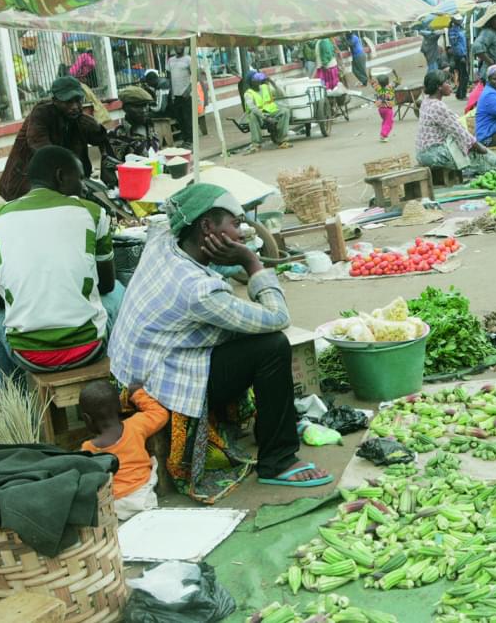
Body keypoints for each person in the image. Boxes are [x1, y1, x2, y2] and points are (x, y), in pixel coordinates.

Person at [110, 183, 332, 500]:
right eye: (234, 223)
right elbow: (278, 317)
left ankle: (272, 425)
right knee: (272, 346)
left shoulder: (163, 238)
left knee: (249, 339)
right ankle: (278, 460)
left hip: (135, 364)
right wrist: (251, 263)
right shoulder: (198, 291)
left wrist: (237, 254)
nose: (241, 232)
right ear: (207, 227)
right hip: (159, 384)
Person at [0, 146, 125, 387]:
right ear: (60, 176)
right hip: (89, 347)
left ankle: (15, 404)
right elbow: (106, 284)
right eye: (80, 178)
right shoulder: (93, 213)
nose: (84, 186)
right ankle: (121, 382)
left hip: (27, 356)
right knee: (119, 291)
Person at [0, 76, 115, 201]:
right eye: (68, 102)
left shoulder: (78, 118)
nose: (75, 106)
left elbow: (99, 139)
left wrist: (97, 129)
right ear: (55, 101)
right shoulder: (42, 114)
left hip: (61, 180)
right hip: (27, 182)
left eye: (78, 101)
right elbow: (43, 150)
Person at [416, 69, 496, 173]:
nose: (450, 85)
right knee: (484, 160)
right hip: (434, 153)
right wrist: (478, 147)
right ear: (439, 87)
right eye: (447, 82)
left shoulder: (427, 102)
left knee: (480, 155)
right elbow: (459, 132)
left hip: (426, 151)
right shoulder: (438, 106)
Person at [80, 381, 168, 521]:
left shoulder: (88, 448)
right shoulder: (136, 425)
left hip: (114, 505)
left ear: (87, 419)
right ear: (120, 407)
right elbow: (161, 414)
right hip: (144, 496)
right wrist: (137, 393)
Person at [243, 71, 291, 153]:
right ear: (251, 82)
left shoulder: (265, 87)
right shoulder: (248, 94)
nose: (258, 80)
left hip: (272, 111)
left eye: (258, 77)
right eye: (255, 79)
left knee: (285, 111)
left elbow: (280, 94)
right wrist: (265, 118)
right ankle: (256, 144)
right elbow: (253, 108)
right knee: (252, 116)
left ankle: (282, 140)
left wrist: (272, 83)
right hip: (260, 115)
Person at [167, 46, 194, 144]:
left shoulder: (189, 59)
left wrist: (188, 90)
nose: (178, 47)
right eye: (176, 45)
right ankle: (186, 140)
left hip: (186, 95)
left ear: (184, 47)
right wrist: (171, 94)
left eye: (180, 45)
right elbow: (169, 78)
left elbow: (196, 76)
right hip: (175, 96)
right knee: (180, 120)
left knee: (188, 119)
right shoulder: (170, 61)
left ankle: (191, 140)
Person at [373, 70, 399, 142]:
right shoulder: (390, 88)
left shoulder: (378, 89)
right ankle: (383, 135)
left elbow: (373, 83)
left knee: (385, 121)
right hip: (388, 109)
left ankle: (384, 134)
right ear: (387, 82)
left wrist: (370, 76)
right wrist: (395, 73)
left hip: (381, 109)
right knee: (389, 123)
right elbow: (397, 81)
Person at [447, 16, 469, 100]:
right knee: (464, 76)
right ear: (454, 20)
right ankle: (461, 95)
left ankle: (460, 94)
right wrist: (462, 56)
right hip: (459, 56)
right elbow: (455, 45)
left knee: (463, 76)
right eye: (458, 19)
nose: (460, 20)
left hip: (463, 54)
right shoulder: (453, 31)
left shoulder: (459, 29)